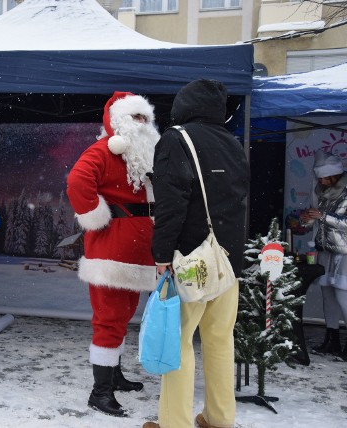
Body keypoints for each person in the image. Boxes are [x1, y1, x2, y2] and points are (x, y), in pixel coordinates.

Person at [144, 79, 250, 428]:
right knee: (220, 341)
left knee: (178, 343)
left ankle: (175, 423)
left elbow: (171, 206)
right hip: (227, 261)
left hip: (190, 261)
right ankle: (220, 419)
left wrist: (162, 256)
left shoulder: (176, 139)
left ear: (183, 105)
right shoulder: (233, 144)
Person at [66, 91, 160, 417]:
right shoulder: (104, 150)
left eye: (145, 118)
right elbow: (78, 181)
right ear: (118, 120)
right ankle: (99, 392)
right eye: (135, 118)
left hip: (136, 251)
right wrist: (95, 215)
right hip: (111, 251)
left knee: (122, 315)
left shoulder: (140, 157)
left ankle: (115, 375)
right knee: (108, 318)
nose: (142, 124)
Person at [300, 150, 347, 361]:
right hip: (326, 250)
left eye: (325, 177)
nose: (322, 181)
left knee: (342, 295)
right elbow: (320, 222)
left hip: (345, 253)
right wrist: (307, 219)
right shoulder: (322, 193)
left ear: (335, 175)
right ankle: (332, 338)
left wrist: (324, 216)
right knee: (327, 294)